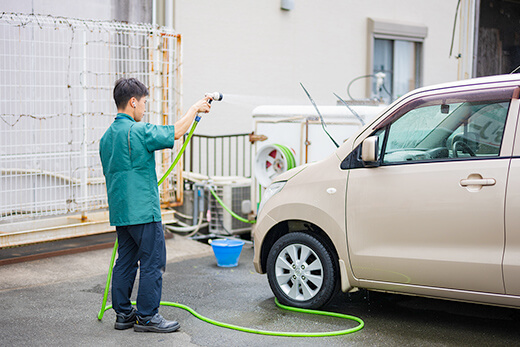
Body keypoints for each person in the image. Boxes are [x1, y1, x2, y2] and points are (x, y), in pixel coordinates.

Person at [99, 78, 211, 333]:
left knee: (126, 261)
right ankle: (148, 317)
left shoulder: (106, 138)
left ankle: (124, 315)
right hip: (143, 211)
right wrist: (195, 109)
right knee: (153, 261)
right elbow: (176, 131)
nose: (144, 108)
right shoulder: (138, 131)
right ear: (133, 102)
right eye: (144, 103)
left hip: (121, 212)